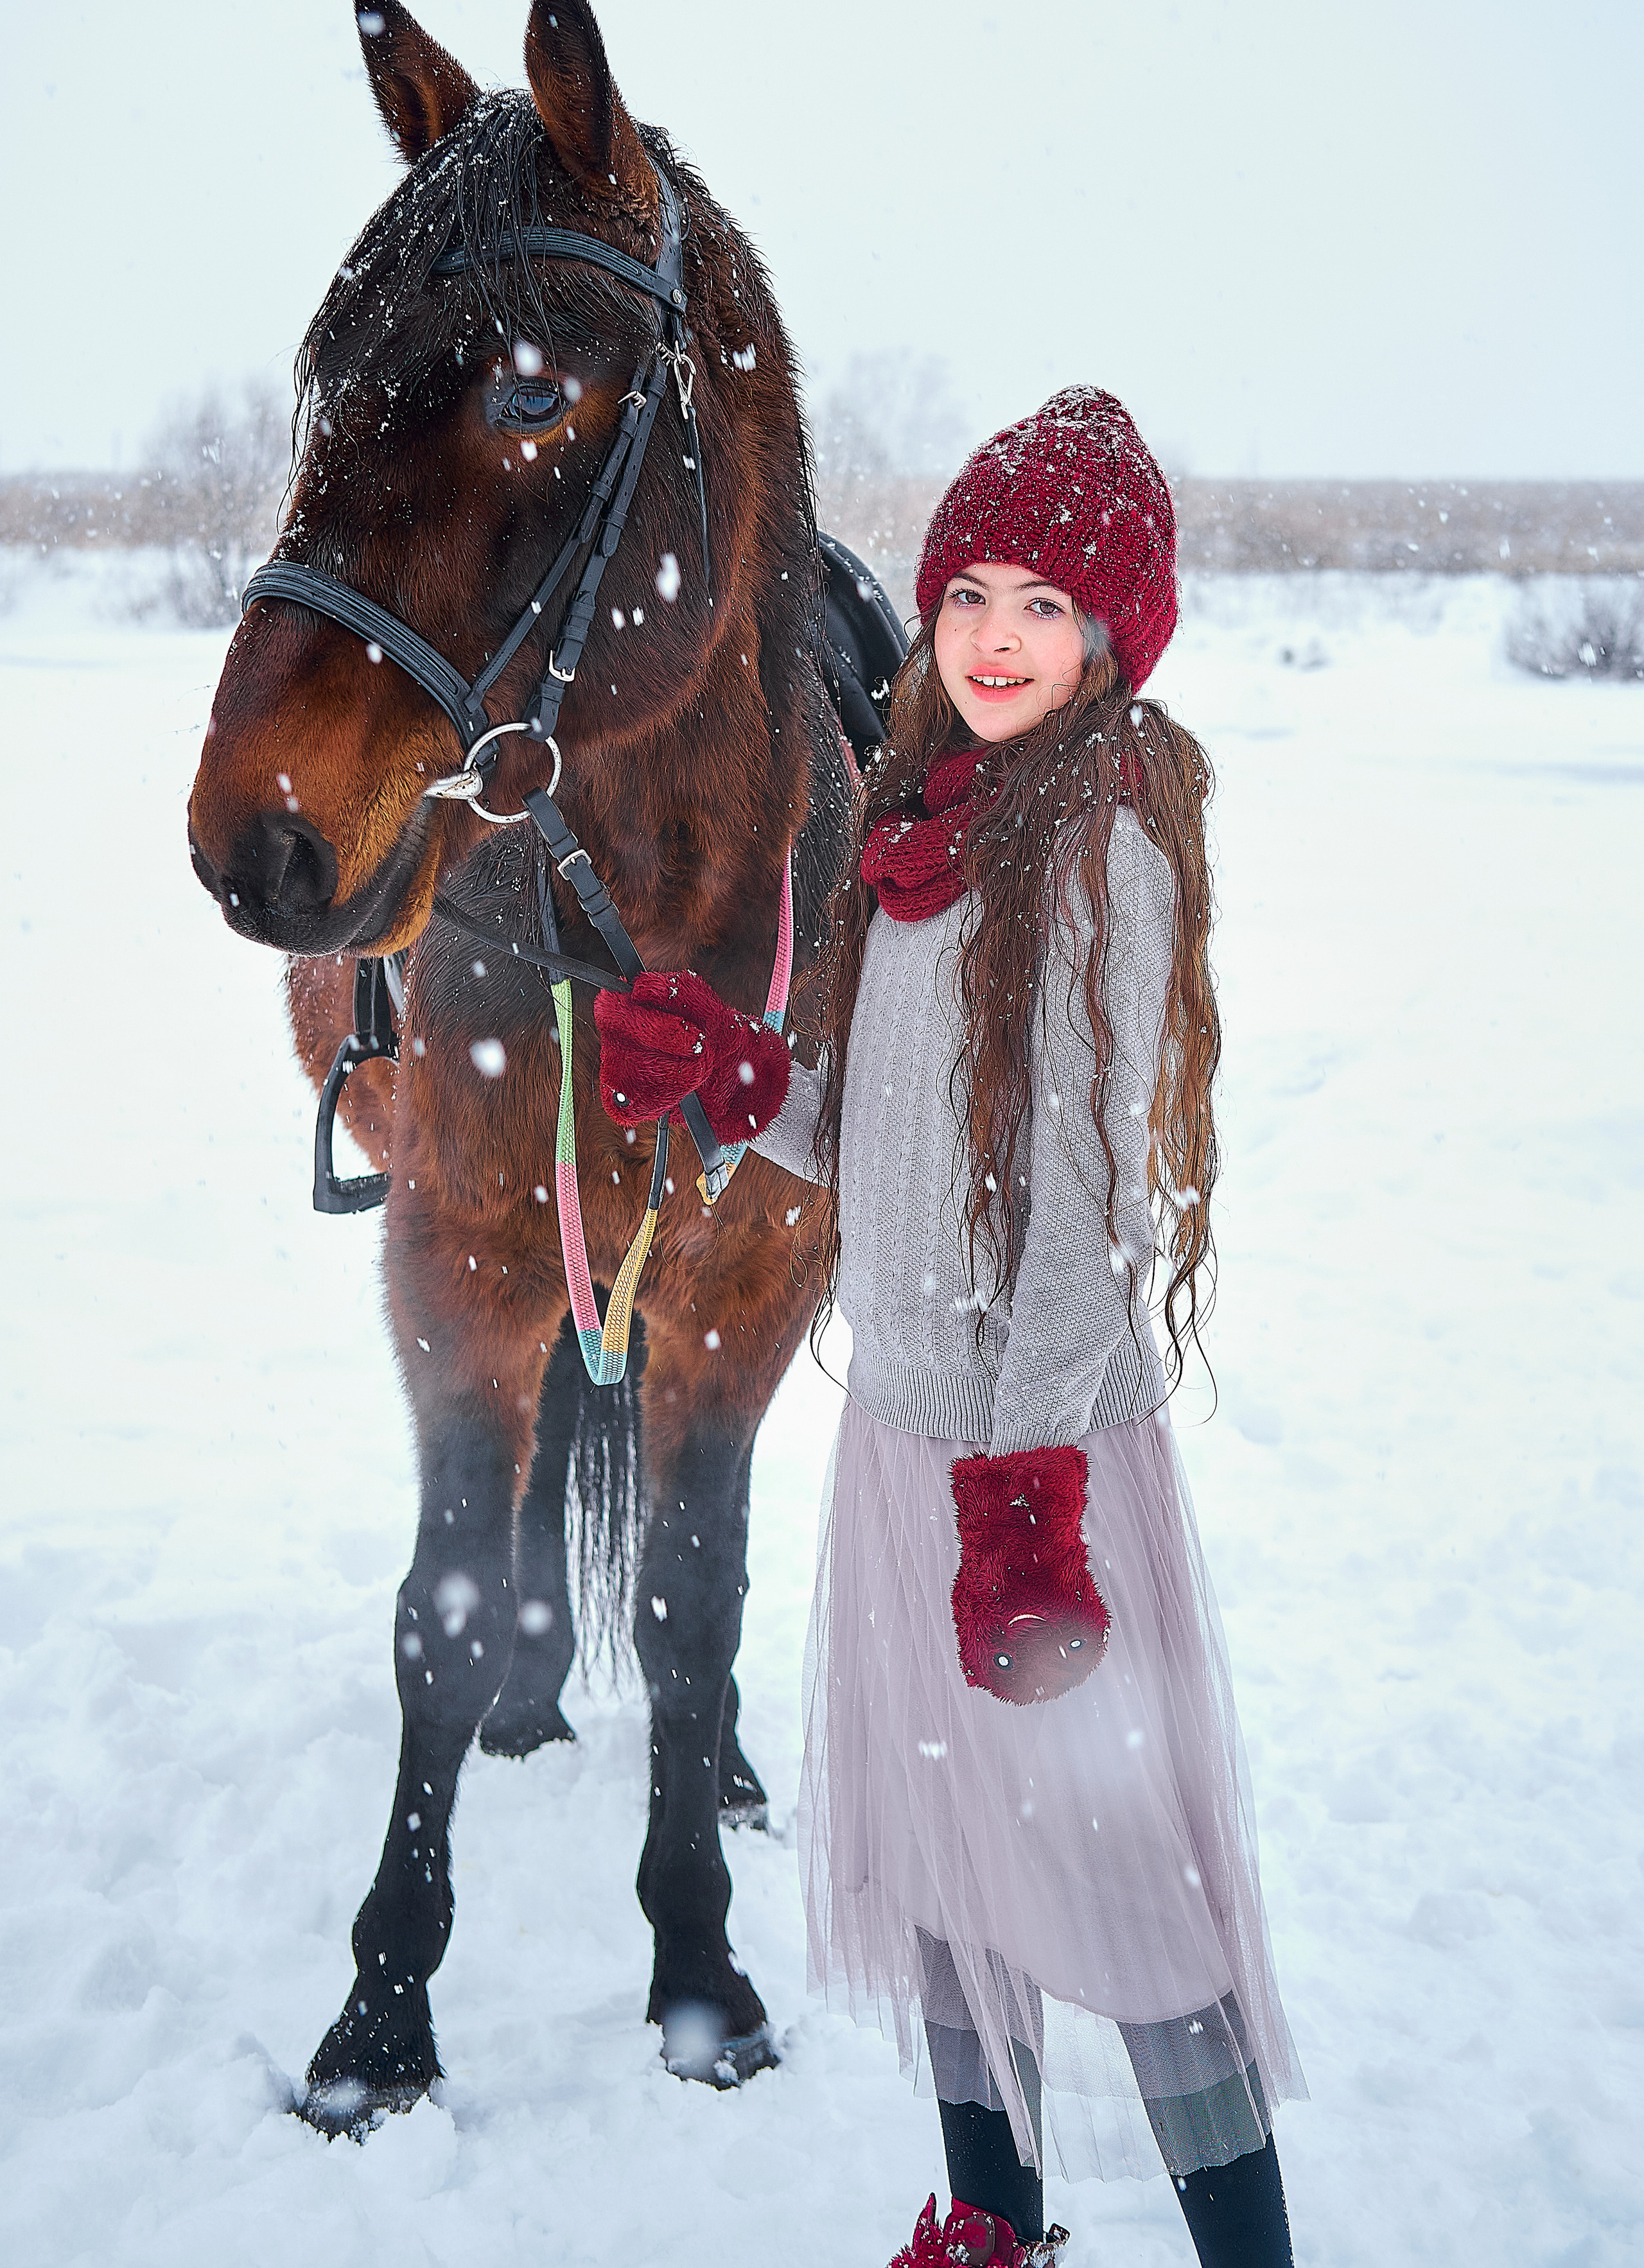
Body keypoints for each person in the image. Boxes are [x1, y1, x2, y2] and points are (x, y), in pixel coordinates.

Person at [594, 388, 1305, 2268]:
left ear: (1112, 641)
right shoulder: (923, 837)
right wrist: (756, 1085)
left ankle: (1250, 2249)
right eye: (971, 590)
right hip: (916, 1456)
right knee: (955, 1890)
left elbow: (1081, 1220)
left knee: (1122, 1899)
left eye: (1045, 606)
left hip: (1037, 1474)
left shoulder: (1100, 857)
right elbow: (888, 1141)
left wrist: (1030, 1499)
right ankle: (991, 2230)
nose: (995, 636)